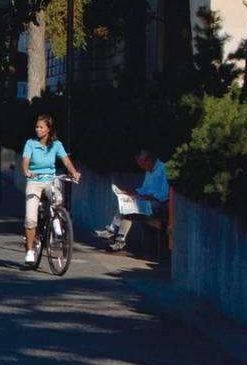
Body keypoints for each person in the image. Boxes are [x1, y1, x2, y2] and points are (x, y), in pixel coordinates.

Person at [20, 113, 82, 266]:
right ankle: (29, 251)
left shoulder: (56, 145)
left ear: (48, 129)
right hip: (34, 180)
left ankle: (55, 219)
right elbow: (25, 161)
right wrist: (27, 171)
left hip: (50, 179)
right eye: (37, 127)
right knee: (31, 218)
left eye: (41, 127)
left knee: (57, 198)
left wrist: (74, 172)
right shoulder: (30, 143)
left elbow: (66, 160)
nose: (38, 130)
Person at [96, 148, 169, 251]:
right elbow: (145, 188)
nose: (142, 168)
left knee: (129, 209)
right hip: (147, 202)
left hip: (158, 205)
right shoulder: (149, 170)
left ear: (150, 160)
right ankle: (119, 240)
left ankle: (113, 232)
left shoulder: (163, 169)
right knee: (127, 207)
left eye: (143, 164)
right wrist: (129, 192)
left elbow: (165, 195)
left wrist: (146, 198)